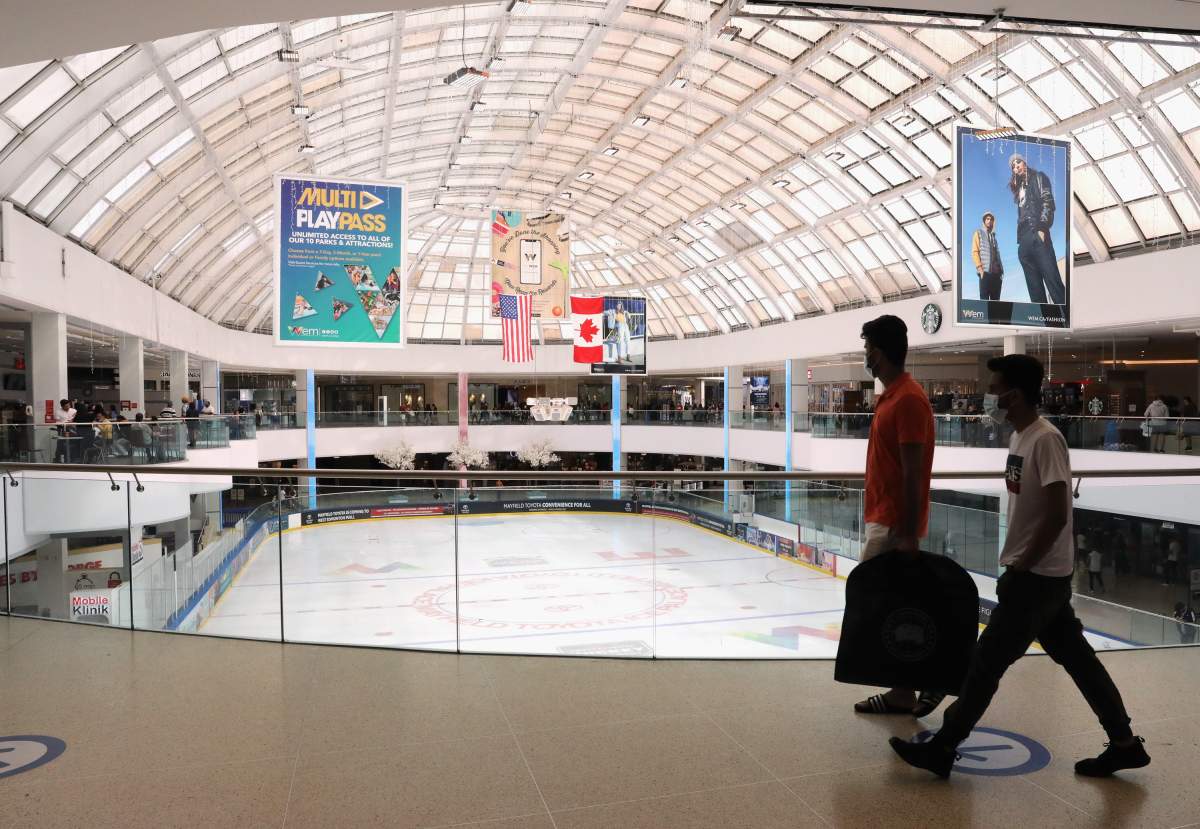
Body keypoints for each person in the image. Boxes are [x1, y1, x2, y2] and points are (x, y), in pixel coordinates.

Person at [891, 353, 1149, 779]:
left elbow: (1056, 514)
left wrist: (1022, 568)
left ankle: (945, 745)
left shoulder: (1045, 440)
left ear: (1014, 394)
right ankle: (1123, 743)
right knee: (1080, 661)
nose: (988, 396)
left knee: (985, 663)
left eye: (993, 388)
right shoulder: (1020, 438)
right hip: (1042, 578)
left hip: (1037, 579)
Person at [851, 315, 942, 719]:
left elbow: (912, 471)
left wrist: (906, 532)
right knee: (890, 607)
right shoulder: (891, 396)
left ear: (881, 351)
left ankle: (929, 676)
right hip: (883, 517)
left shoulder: (907, 399)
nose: (865, 352)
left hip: (891, 524)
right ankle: (903, 690)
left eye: (868, 345)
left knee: (873, 603)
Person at [1009, 153, 1065, 305]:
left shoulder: (1039, 177)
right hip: (1024, 242)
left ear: (1024, 162)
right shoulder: (1019, 189)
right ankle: (1046, 326)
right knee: (1036, 295)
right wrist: (1021, 244)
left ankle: (1065, 321)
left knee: (1053, 283)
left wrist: (1042, 228)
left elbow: (1048, 202)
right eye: (1013, 166)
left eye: (1018, 162)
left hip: (1038, 234)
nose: (1016, 167)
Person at [970, 211, 1004, 301]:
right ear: (984, 221)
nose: (989, 221)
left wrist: (1001, 271)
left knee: (996, 304)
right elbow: (975, 252)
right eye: (987, 219)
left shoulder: (994, 237)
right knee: (984, 303)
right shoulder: (978, 233)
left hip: (996, 275)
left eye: (991, 219)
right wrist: (980, 270)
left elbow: (997, 255)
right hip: (985, 273)